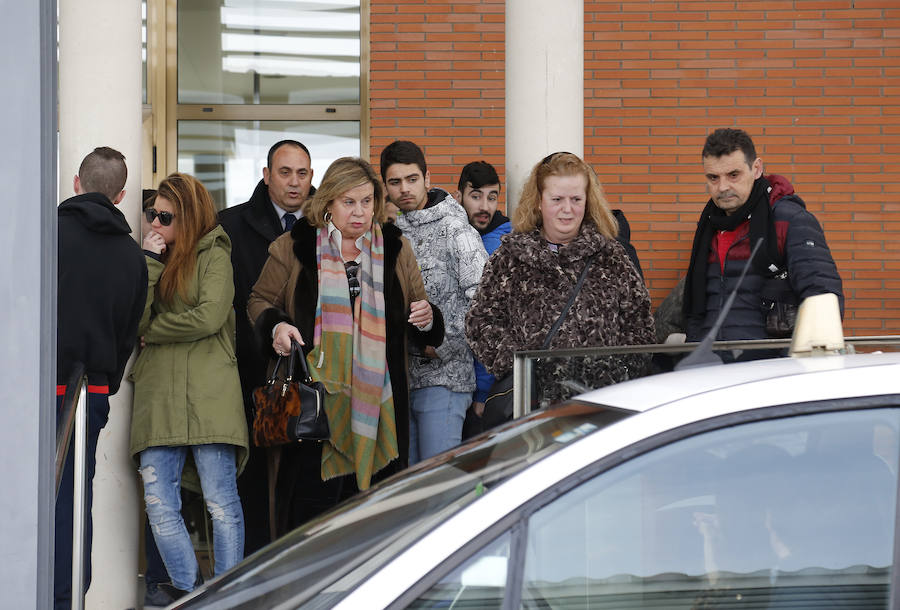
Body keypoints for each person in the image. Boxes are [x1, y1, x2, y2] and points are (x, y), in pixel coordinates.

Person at [248, 157, 444, 532]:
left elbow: (419, 313)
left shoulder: (396, 248)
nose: (359, 212)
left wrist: (428, 318)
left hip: (380, 409)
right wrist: (276, 326)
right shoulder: (294, 246)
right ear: (328, 203)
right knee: (312, 524)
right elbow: (258, 301)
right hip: (314, 413)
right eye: (348, 202)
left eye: (367, 201)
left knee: (375, 525)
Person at [130, 173, 249, 599]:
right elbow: (134, 320)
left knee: (220, 502)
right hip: (159, 394)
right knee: (158, 501)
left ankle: (226, 597)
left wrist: (156, 330)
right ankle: (189, 594)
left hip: (209, 393)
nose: (155, 223)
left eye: (166, 217)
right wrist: (149, 262)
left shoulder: (215, 253)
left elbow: (209, 316)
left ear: (190, 217)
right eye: (152, 214)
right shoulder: (151, 260)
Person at [465, 152, 656, 406]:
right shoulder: (511, 257)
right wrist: (521, 368)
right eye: (557, 199)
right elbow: (480, 322)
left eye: (576, 199)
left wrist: (616, 374)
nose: (567, 209)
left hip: (600, 404)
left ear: (587, 202)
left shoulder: (611, 256)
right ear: (539, 202)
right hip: (533, 407)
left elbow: (640, 326)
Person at [56, 147, 147, 610]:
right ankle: (69, 594)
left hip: (41, 387)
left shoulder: (47, 235)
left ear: (77, 183)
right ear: (121, 195)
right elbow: (128, 333)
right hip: (91, 390)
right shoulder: (132, 256)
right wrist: (104, 386)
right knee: (76, 497)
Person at [218, 139, 315, 554]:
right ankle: (255, 570)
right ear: (266, 175)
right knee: (253, 482)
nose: (294, 182)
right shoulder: (230, 225)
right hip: (249, 372)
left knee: (306, 483)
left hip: (312, 375)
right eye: (285, 172)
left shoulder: (330, 224)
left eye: (302, 173)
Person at [380, 141, 488, 463]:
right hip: (399, 381)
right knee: (409, 483)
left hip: (445, 379)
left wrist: (442, 345)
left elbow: (484, 302)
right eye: (395, 181)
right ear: (385, 186)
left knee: (436, 479)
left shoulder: (456, 230)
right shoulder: (388, 233)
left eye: (412, 179)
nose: (404, 189)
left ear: (427, 178)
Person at [683, 128, 843, 344]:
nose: (723, 187)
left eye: (733, 175)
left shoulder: (790, 220)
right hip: (710, 361)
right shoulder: (708, 226)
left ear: (756, 169)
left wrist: (792, 360)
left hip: (770, 363)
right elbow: (696, 306)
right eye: (713, 177)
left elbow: (822, 301)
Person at [453, 161, 509, 436]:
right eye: (476, 196)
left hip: (485, 390)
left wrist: (483, 392)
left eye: (492, 197)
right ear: (459, 196)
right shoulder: (458, 236)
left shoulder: (500, 245)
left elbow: (494, 320)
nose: (485, 206)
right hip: (456, 380)